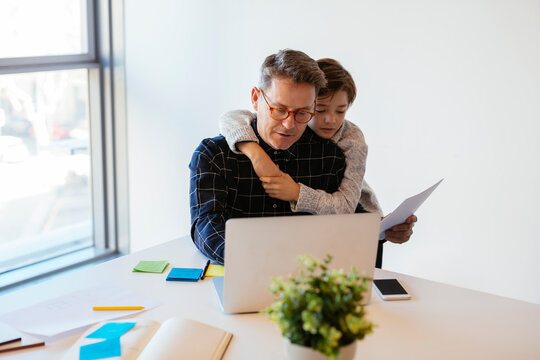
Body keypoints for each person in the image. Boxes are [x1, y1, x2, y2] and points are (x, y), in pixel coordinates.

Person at [218, 58, 416, 267]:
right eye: (320, 110)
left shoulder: (351, 140)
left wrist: (296, 192)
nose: (330, 119)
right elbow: (231, 117)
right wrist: (254, 151)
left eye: (340, 111)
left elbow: (347, 206)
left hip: (359, 218)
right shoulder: (289, 124)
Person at [190, 49, 346, 264]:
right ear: (256, 99)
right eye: (279, 110)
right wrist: (258, 261)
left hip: (306, 281)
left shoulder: (329, 157)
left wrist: (383, 230)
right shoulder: (215, 155)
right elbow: (206, 227)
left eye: (302, 113)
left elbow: (344, 222)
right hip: (242, 271)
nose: (289, 124)